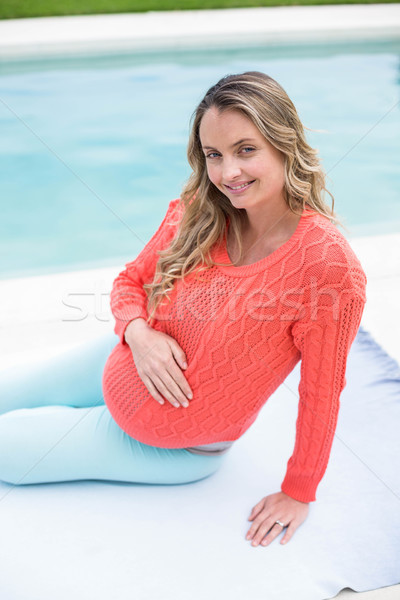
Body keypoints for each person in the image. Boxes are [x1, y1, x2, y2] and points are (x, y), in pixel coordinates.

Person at [0, 71, 366, 549]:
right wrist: (138, 334)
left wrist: (299, 492)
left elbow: (322, 392)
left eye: (246, 149)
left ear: (285, 144)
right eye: (214, 155)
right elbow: (129, 282)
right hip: (121, 358)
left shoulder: (327, 266)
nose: (228, 173)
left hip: (169, 446)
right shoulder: (202, 205)